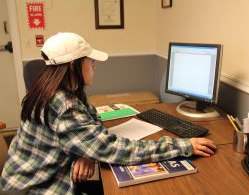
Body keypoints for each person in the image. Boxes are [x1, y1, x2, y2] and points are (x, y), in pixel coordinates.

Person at [0, 32, 216, 195]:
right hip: (32, 187)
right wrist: (184, 146)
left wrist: (87, 151)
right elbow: (113, 149)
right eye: (90, 60)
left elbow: (92, 120)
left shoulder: (65, 87)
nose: (94, 65)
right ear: (74, 64)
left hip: (41, 174)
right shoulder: (63, 104)